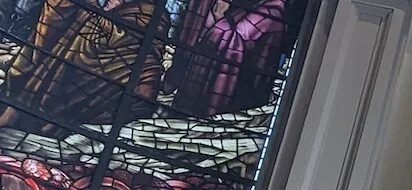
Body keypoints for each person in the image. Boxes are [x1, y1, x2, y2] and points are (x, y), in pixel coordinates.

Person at [0, 0, 163, 133]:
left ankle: (36, 111)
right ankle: (20, 105)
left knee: (79, 47)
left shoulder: (151, 12)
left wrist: (93, 9)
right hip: (88, 65)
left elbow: (121, 40)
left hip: (111, 77)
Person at [164, 0, 305, 118]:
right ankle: (184, 102)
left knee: (225, 32)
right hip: (241, 9)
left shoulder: (275, 9)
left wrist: (220, 15)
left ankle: (214, 108)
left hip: (268, 10)